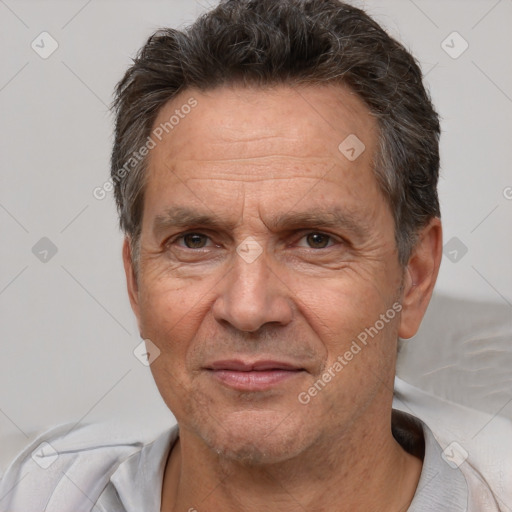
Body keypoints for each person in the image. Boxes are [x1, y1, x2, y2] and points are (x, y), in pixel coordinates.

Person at [0, 0, 506, 510]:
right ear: (135, 279)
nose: (248, 308)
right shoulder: (39, 494)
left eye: (315, 240)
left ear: (413, 278)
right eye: (195, 241)